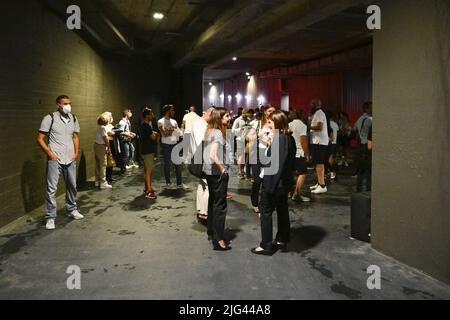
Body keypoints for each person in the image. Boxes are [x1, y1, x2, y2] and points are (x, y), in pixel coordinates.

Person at [251, 110, 296, 255]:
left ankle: (266, 245)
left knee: (265, 211)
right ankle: (282, 239)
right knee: (282, 211)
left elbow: (276, 165)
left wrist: (269, 186)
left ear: (277, 122)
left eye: (270, 122)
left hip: (274, 183)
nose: (268, 124)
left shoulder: (280, 139)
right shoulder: (287, 137)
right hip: (282, 183)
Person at [37, 95, 84, 230]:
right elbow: (40, 138)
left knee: (72, 186)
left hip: (70, 158)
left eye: (69, 103)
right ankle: (50, 217)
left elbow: (75, 137)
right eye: (65, 103)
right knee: (51, 189)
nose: (68, 105)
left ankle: (72, 209)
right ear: (58, 105)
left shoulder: (73, 118)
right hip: (55, 159)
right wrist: (50, 154)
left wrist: (76, 153)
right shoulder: (49, 118)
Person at [203, 107, 232, 251]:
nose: (229, 118)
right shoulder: (218, 133)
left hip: (209, 173)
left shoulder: (209, 131)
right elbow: (213, 155)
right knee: (220, 206)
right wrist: (223, 169)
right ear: (220, 118)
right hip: (216, 174)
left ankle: (211, 232)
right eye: (226, 116)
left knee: (213, 202)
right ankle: (219, 239)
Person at [191, 107, 215, 222]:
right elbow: (203, 142)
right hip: (202, 159)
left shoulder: (200, 123)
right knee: (209, 186)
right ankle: (204, 212)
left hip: (200, 158)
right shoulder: (200, 124)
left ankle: (201, 210)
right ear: (209, 114)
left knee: (202, 185)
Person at [158, 105, 186, 188]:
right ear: (167, 111)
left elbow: (180, 133)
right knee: (167, 164)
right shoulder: (160, 121)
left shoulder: (174, 121)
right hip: (166, 145)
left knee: (177, 164)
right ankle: (168, 182)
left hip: (174, 144)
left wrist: (175, 130)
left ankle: (179, 183)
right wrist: (172, 130)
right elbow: (164, 134)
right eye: (172, 110)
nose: (173, 112)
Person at [289, 109, 311, 202]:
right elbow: (303, 141)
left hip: (290, 152)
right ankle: (296, 194)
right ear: (302, 116)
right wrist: (307, 154)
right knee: (303, 173)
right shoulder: (302, 126)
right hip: (299, 153)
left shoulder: (289, 125)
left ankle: (290, 192)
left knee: (291, 173)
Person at [309, 99, 329, 194]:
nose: (311, 105)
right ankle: (319, 183)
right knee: (318, 164)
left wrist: (308, 127)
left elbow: (319, 127)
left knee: (319, 164)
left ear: (317, 105)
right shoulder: (317, 113)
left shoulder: (320, 113)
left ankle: (322, 185)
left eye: (313, 104)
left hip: (319, 142)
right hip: (318, 141)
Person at [141, 107, 159, 199]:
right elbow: (153, 137)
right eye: (151, 114)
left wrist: (154, 133)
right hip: (148, 151)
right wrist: (155, 134)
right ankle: (148, 191)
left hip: (147, 150)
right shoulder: (146, 125)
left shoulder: (146, 125)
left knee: (147, 170)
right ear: (147, 115)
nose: (153, 115)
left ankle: (148, 187)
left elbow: (152, 134)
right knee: (149, 171)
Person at [355, 102, 373, 192]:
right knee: (369, 170)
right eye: (371, 107)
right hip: (368, 146)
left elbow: (355, 129)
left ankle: (359, 189)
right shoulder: (370, 120)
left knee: (361, 170)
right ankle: (369, 190)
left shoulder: (360, 118)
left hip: (361, 145)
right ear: (366, 109)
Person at [94, 113, 112, 190]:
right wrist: (108, 146)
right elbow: (105, 138)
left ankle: (97, 181)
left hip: (96, 145)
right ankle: (103, 182)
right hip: (101, 146)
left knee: (97, 164)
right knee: (103, 164)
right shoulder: (103, 128)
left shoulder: (98, 127)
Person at [118, 109, 137, 174]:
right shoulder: (122, 122)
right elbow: (121, 132)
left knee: (132, 150)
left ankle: (128, 164)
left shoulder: (127, 121)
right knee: (126, 155)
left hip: (127, 140)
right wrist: (129, 135)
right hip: (124, 141)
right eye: (130, 112)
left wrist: (131, 133)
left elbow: (127, 130)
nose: (131, 113)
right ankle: (123, 169)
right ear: (127, 114)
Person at [103, 112, 118, 184]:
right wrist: (113, 132)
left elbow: (113, 132)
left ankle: (110, 177)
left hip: (112, 142)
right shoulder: (104, 125)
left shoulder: (110, 125)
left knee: (112, 159)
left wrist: (113, 132)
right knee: (107, 160)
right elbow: (109, 133)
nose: (111, 117)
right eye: (110, 116)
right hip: (107, 142)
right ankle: (106, 177)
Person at [328, 113, 339, 180]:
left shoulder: (328, 124)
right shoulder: (335, 124)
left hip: (329, 142)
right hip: (335, 142)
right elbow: (338, 131)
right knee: (333, 157)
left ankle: (331, 171)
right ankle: (333, 170)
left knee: (330, 157)